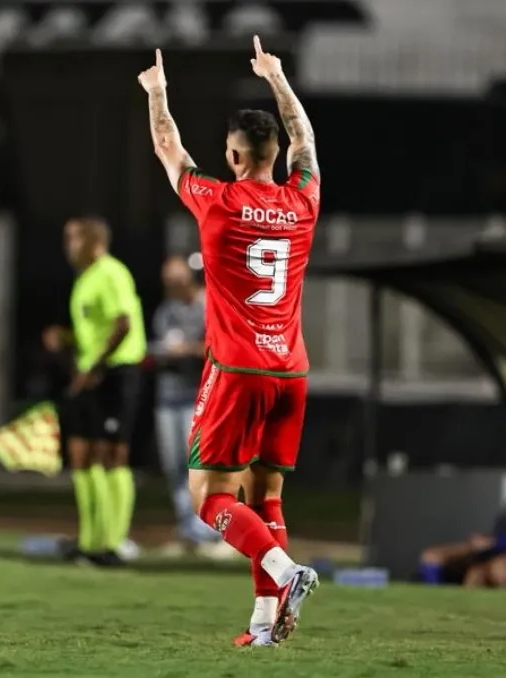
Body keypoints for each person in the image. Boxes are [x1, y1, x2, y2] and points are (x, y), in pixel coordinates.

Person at [137, 37, 321, 646]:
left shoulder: (216, 202)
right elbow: (307, 140)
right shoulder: (303, 200)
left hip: (237, 367)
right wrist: (276, 78)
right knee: (266, 495)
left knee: (208, 498)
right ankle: (265, 625)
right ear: (276, 154)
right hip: (291, 370)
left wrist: (157, 93)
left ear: (234, 155)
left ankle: (283, 570)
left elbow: (169, 148)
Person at [44, 216, 147, 567]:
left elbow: (123, 325)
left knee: (112, 454)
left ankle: (113, 544)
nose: (68, 246)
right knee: (82, 453)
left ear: (95, 242)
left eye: (74, 239)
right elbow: (96, 330)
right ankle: (90, 541)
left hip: (117, 372)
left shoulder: (111, 272)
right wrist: (68, 339)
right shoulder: (85, 279)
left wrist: (98, 368)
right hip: (92, 374)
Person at [151, 256, 234, 558]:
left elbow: (220, 347)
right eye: (168, 279)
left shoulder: (207, 305)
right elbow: (158, 344)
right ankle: (189, 529)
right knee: (173, 465)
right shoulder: (166, 309)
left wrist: (186, 349)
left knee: (198, 464)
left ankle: (212, 531)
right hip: (168, 395)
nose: (172, 284)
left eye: (177, 278)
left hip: (198, 395)